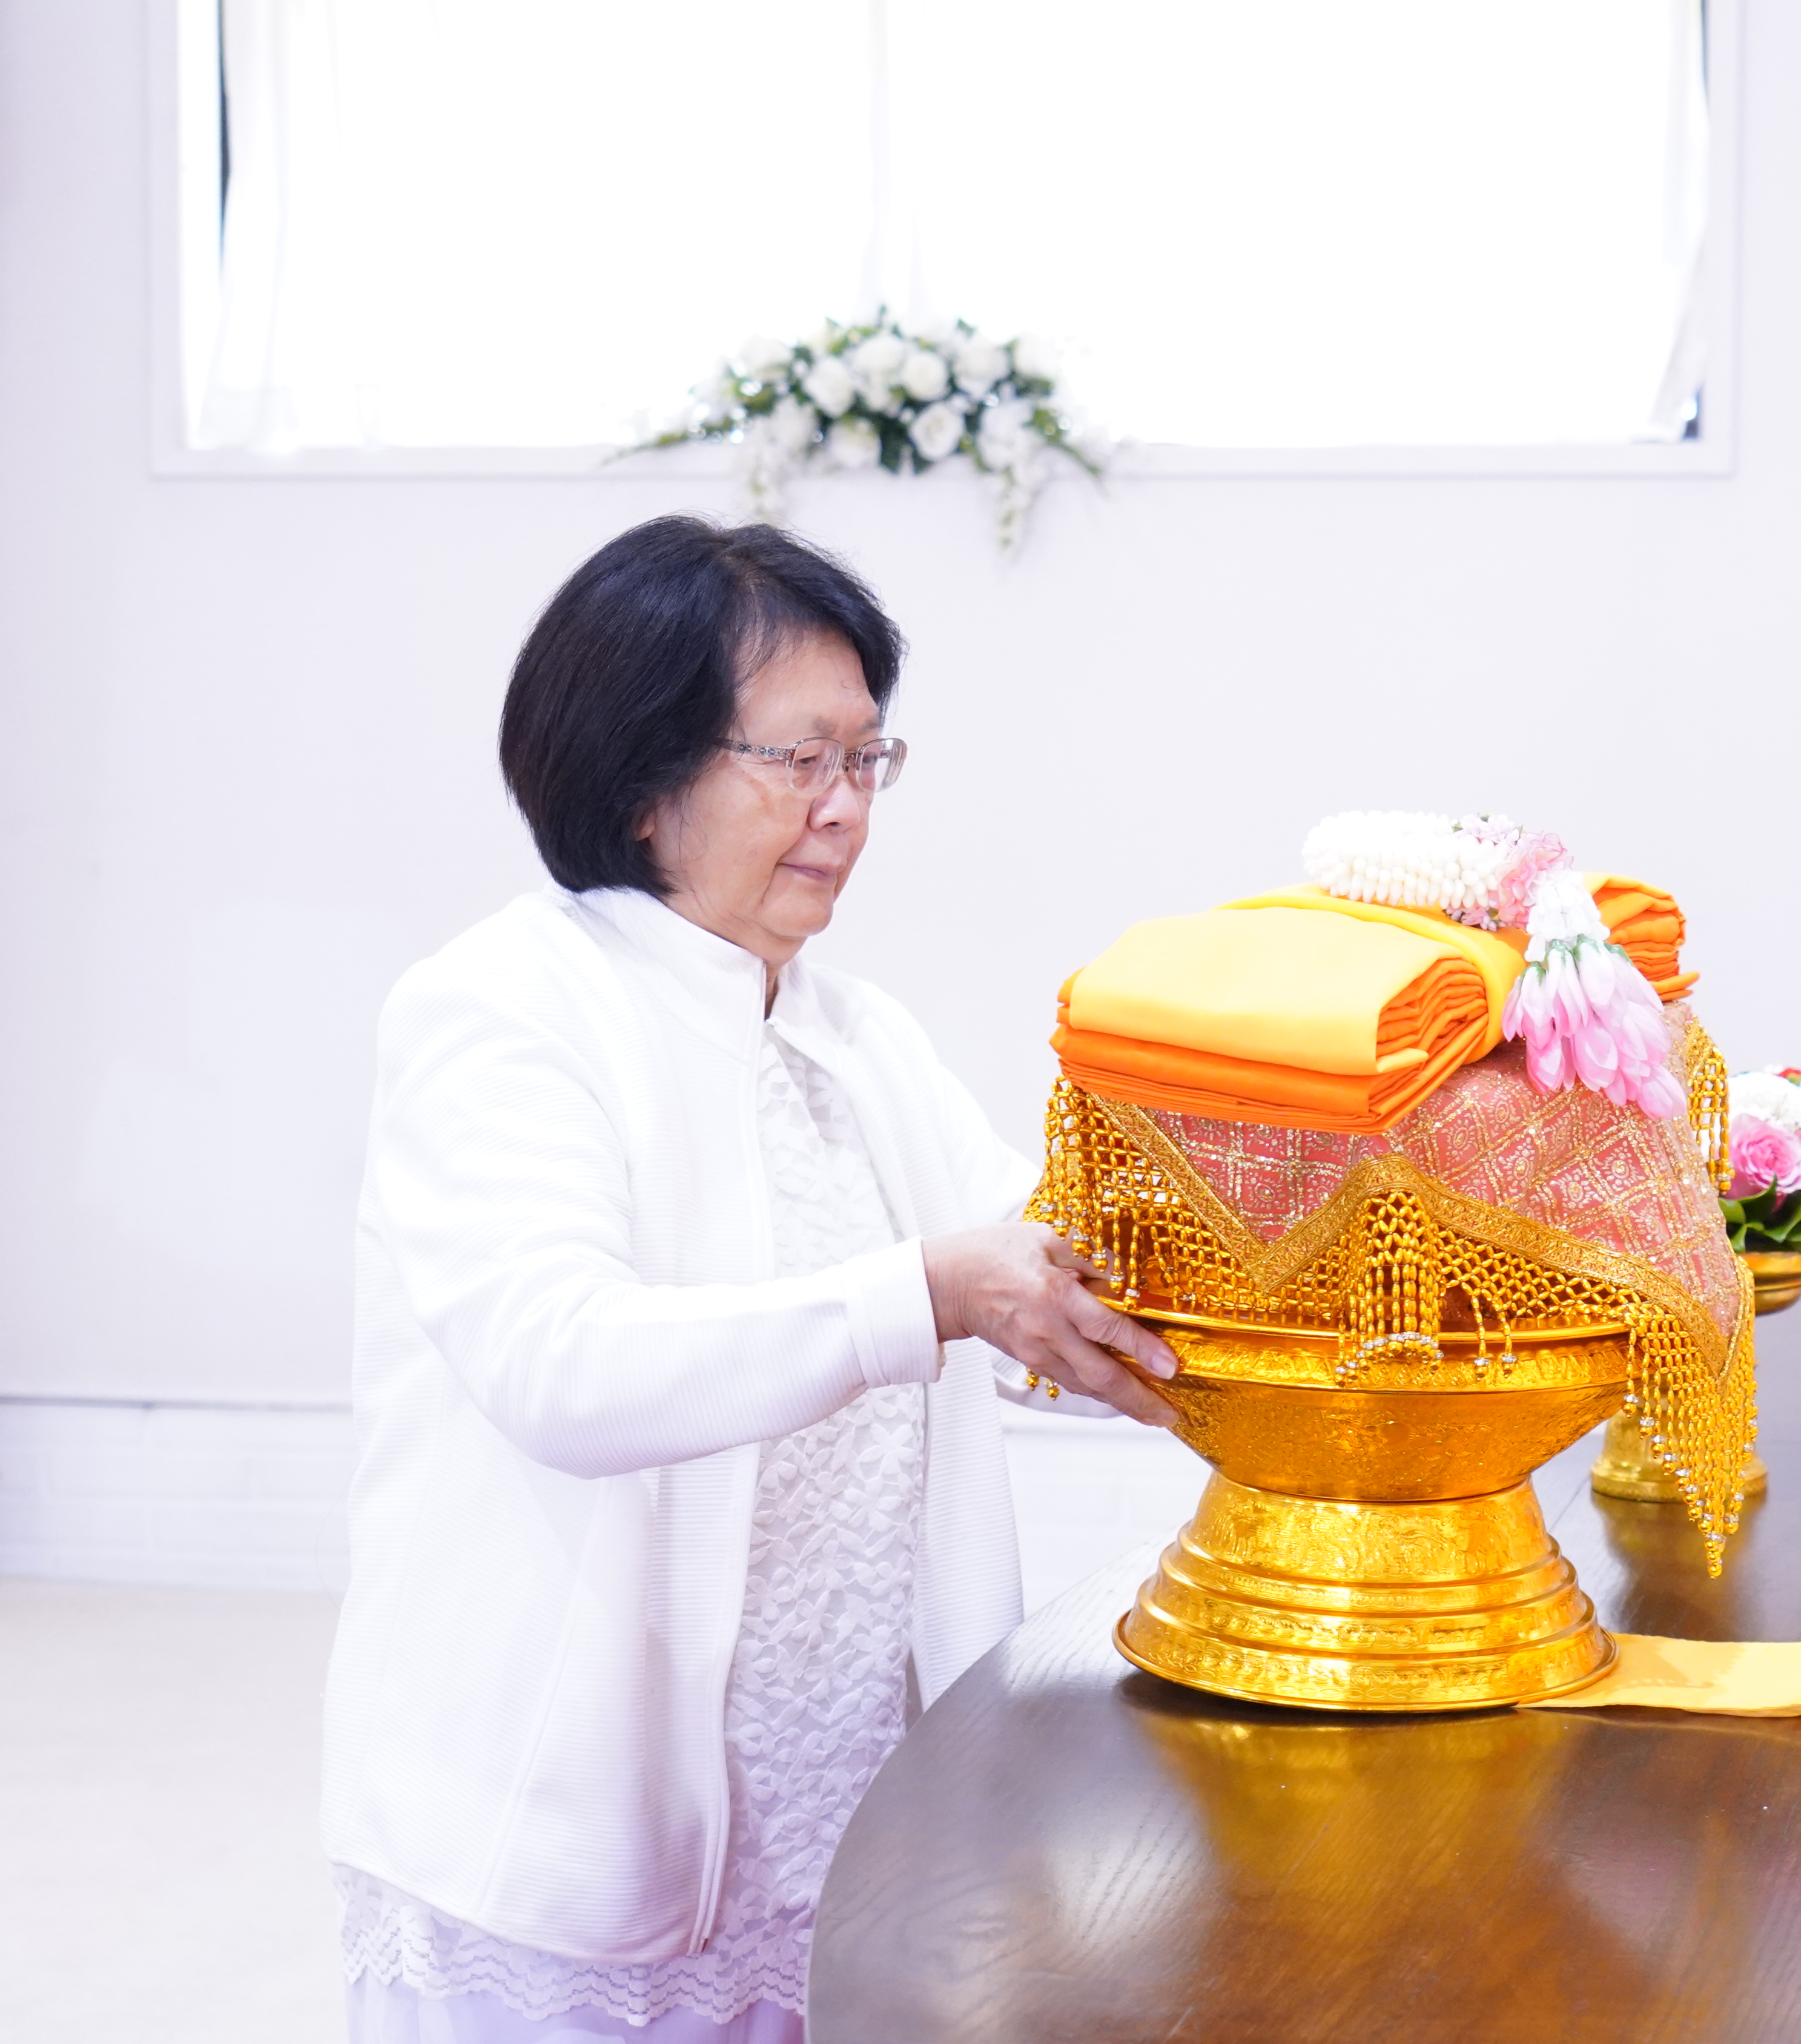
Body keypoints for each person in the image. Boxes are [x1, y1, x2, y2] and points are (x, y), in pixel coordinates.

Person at [320, 518, 1181, 2043]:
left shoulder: (856, 1036)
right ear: (644, 782)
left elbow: (1049, 1254)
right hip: (575, 1813)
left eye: (870, 762)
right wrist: (920, 1294)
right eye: (802, 760)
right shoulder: (504, 1010)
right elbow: (563, 1365)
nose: (847, 811)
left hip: (834, 1801)